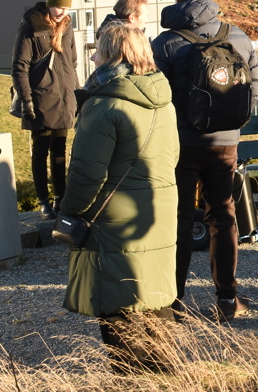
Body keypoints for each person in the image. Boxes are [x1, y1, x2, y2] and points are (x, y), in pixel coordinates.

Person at [61, 23, 180, 373]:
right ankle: (170, 389)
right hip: (157, 212)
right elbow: (171, 156)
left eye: (98, 50)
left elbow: (86, 174)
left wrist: (69, 214)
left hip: (114, 221)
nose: (94, 56)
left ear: (112, 55)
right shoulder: (164, 101)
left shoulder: (103, 105)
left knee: (119, 308)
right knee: (155, 300)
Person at [152, 0, 258, 321]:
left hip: (182, 144)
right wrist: (232, 126)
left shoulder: (166, 42)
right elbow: (253, 90)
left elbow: (157, 97)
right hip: (225, 144)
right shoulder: (238, 37)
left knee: (179, 219)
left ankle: (174, 300)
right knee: (223, 214)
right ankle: (227, 299)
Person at [11, 0, 78, 219]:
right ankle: (43, 201)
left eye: (66, 7)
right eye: (58, 6)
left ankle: (61, 197)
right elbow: (20, 66)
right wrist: (26, 99)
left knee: (60, 149)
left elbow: (72, 63)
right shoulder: (31, 26)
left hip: (63, 98)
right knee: (40, 150)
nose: (62, 12)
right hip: (40, 98)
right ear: (50, 5)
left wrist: (76, 93)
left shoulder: (68, 27)